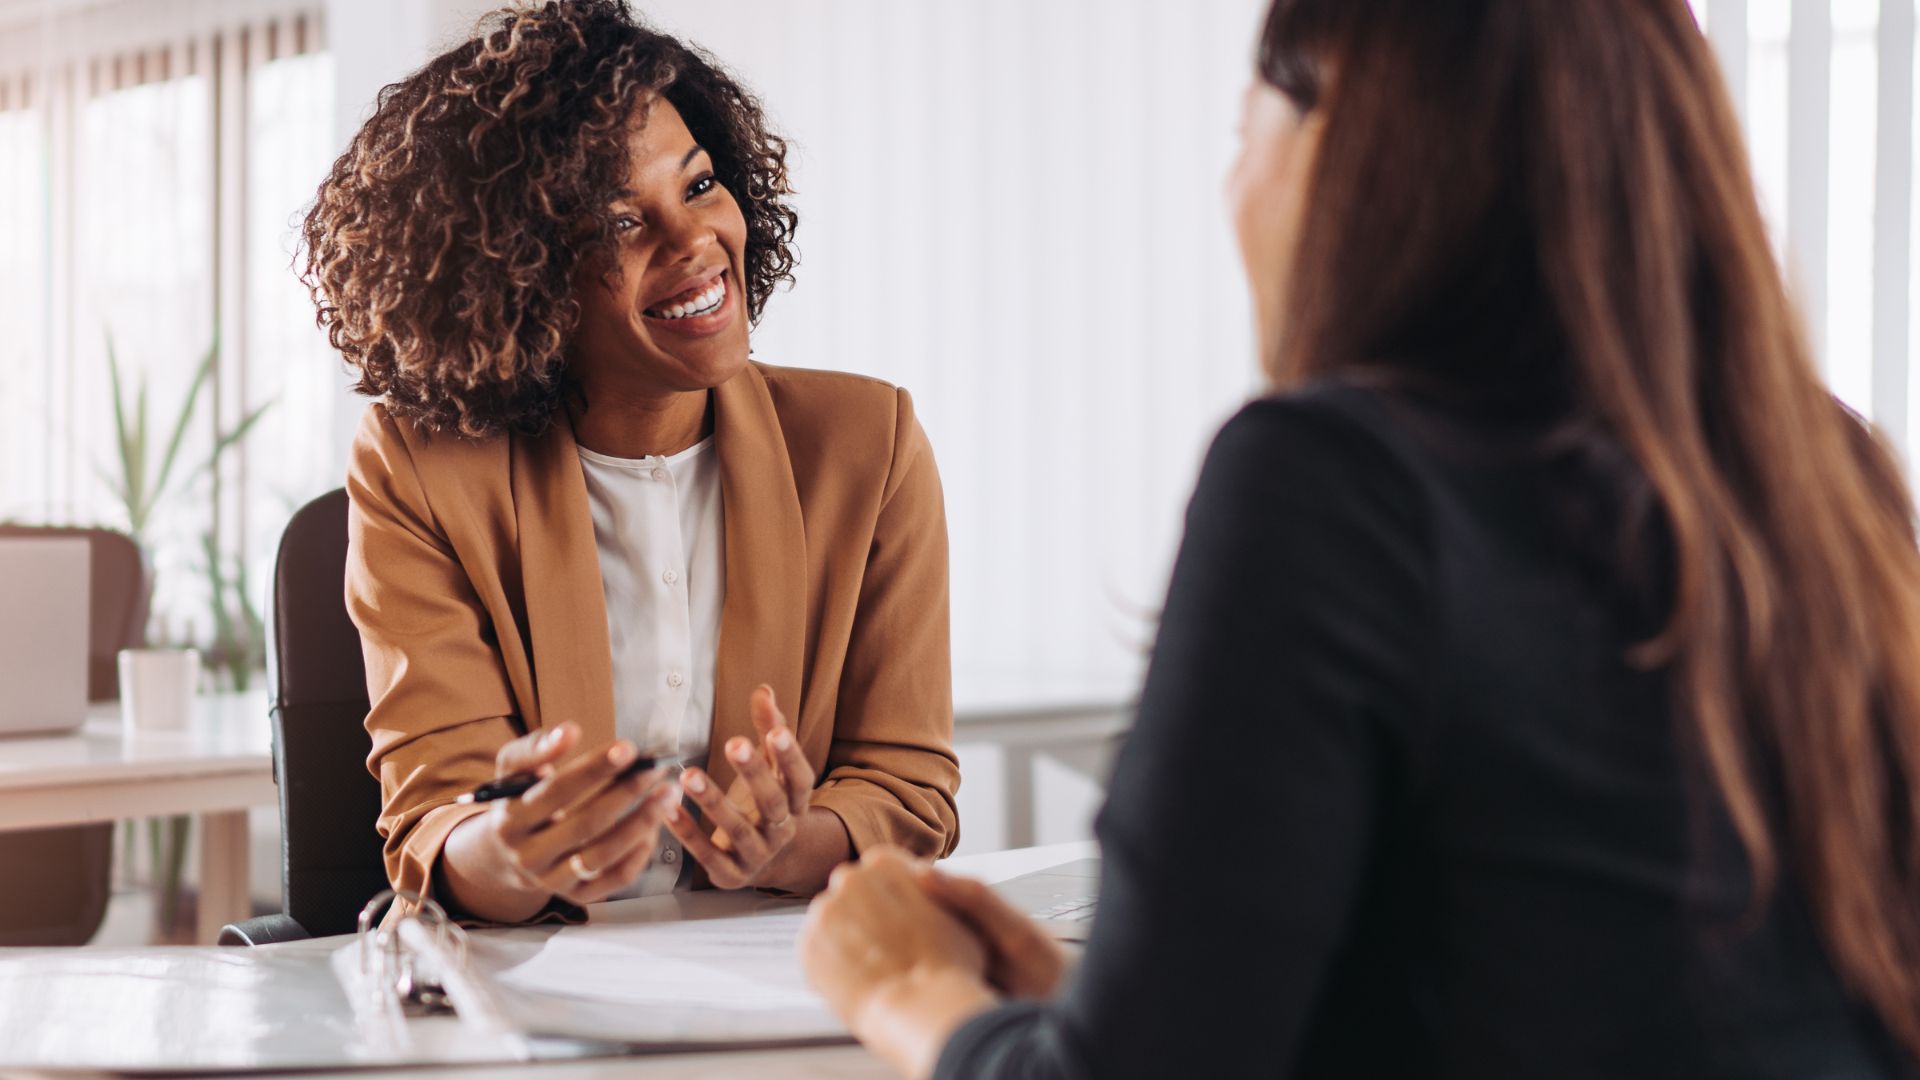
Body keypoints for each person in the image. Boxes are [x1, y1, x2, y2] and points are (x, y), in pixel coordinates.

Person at [798, 0, 1920, 1076]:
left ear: (1349, 150)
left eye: (1248, 133)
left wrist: (906, 994)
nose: (1233, 185)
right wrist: (1095, 1005)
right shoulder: (1831, 477)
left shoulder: (1332, 481)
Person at [302, 0, 959, 926]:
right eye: (617, 221)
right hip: (535, 1001)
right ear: (520, 276)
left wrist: (785, 843)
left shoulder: (868, 443)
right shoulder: (421, 468)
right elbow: (434, 824)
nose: (694, 243)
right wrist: (521, 847)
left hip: (779, 990)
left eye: (697, 187)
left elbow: (907, 787)